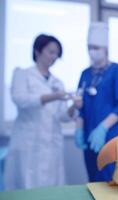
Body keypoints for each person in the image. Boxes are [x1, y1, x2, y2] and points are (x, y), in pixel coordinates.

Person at [4, 34, 82, 190]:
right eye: (51, 52)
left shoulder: (57, 82)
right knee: (27, 187)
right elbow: (21, 99)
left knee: (51, 188)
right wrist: (53, 96)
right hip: (28, 142)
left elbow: (62, 116)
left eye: (57, 54)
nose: (54, 57)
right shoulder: (23, 74)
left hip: (51, 145)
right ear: (37, 51)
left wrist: (74, 106)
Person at [74, 22, 118, 182]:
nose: (92, 51)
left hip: (109, 135)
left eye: (96, 47)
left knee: (109, 183)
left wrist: (103, 128)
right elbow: (80, 106)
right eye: (90, 47)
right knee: (93, 181)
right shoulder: (85, 74)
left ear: (105, 49)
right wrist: (78, 130)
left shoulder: (117, 71)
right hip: (89, 137)